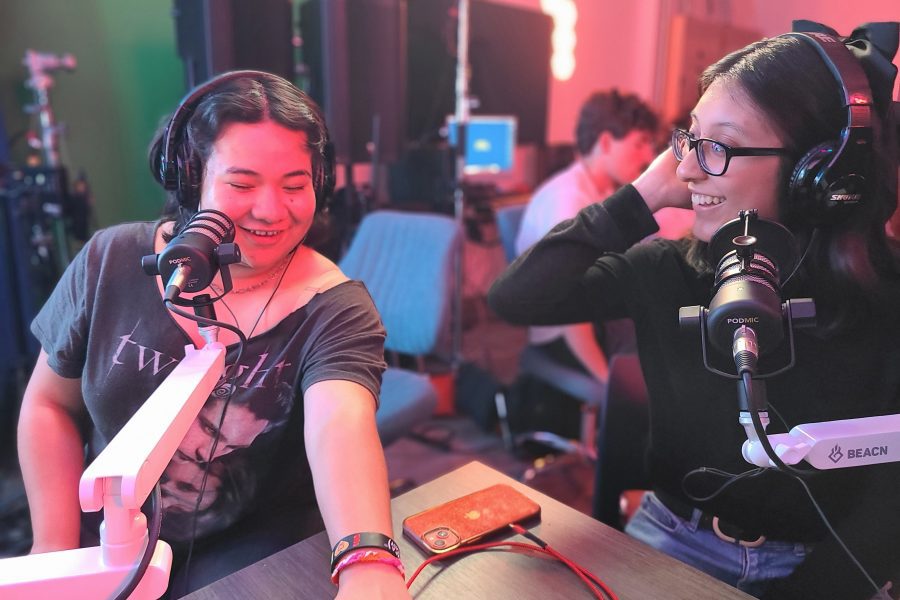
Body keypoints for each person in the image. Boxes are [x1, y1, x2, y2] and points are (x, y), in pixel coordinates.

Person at [489, 22, 900, 600]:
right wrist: (641, 197)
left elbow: (889, 505)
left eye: (719, 148)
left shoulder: (886, 293)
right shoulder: (667, 269)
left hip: (822, 562)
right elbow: (515, 298)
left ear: (818, 170)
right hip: (672, 536)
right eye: (688, 140)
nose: (685, 170)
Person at [17, 71, 412, 599]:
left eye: (295, 185)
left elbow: (341, 425)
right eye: (242, 184)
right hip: (107, 541)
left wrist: (370, 566)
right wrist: (55, 548)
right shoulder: (107, 260)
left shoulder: (336, 308)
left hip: (246, 550)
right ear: (191, 179)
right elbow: (49, 405)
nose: (271, 210)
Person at [513, 90, 659, 384]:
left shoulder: (602, 192)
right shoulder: (567, 203)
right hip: (565, 334)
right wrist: (609, 383)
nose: (649, 156)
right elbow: (572, 320)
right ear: (605, 142)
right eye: (640, 143)